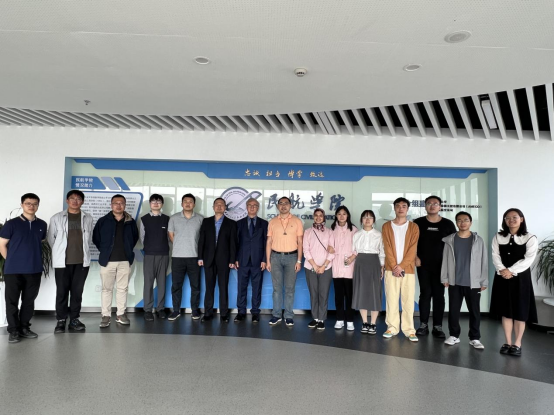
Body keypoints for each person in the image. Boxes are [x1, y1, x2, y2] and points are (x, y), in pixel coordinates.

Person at [490, 209, 538, 357]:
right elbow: (495, 255)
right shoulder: (498, 236)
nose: (511, 220)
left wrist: (510, 270)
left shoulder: (530, 237)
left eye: (514, 217)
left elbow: (529, 259)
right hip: (502, 277)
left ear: (521, 219)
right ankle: (507, 342)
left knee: (520, 312)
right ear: (504, 220)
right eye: (507, 218)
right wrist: (502, 270)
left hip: (521, 279)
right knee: (506, 311)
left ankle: (517, 343)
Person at [0, 193, 47, 344]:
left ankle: (24, 328)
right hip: (13, 271)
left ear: (38, 205)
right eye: (28, 203)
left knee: (28, 301)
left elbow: (40, 242)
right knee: (12, 301)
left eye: (34, 204)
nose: (31, 206)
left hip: (34, 269)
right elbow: (2, 245)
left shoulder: (42, 225)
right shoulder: (11, 224)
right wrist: (11, 261)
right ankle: (13, 330)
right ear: (22, 205)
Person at [48, 190, 94, 334]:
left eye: (78, 199)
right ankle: (61, 320)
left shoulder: (88, 218)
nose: (75, 201)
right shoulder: (56, 218)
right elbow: (51, 239)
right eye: (72, 198)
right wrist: (60, 253)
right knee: (62, 292)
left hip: (81, 262)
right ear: (67, 201)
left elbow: (89, 239)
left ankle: (74, 319)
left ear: (82, 202)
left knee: (77, 292)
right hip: (62, 263)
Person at [441, 212, 488, 350]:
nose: (463, 223)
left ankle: (475, 338)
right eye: (459, 220)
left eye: (466, 220)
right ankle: (454, 335)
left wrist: (483, 281)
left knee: (474, 311)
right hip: (455, 282)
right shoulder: (449, 240)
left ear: (471, 222)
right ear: (456, 223)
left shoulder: (478, 240)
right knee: (454, 310)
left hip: (473, 282)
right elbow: (445, 260)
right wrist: (444, 278)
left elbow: (484, 261)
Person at [93, 194, 139, 328]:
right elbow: (96, 238)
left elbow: (134, 238)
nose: (118, 205)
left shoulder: (130, 221)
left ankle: (121, 314)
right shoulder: (103, 221)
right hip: (108, 261)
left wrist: (127, 250)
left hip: (125, 260)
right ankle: (106, 315)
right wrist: (105, 250)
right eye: (116, 203)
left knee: (122, 289)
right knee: (106, 289)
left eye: (121, 203)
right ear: (111, 205)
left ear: (125, 205)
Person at [414, 196, 456, 338]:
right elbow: (411, 242)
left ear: (440, 207)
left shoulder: (448, 224)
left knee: (439, 295)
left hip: (442, 266)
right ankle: (423, 325)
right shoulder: (418, 223)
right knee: (425, 293)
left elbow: (453, 246)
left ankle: (438, 326)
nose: (432, 206)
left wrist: (450, 265)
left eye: (435, 204)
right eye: (429, 203)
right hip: (423, 265)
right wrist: (415, 257)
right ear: (425, 206)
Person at [382, 198, 420, 342]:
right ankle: (392, 327)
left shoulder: (413, 227)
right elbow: (387, 247)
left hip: (408, 269)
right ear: (394, 208)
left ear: (407, 209)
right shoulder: (387, 226)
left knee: (408, 300)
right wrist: (394, 266)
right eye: (398, 206)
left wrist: (402, 266)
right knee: (391, 299)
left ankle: (409, 330)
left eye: (404, 206)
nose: (401, 208)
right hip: (390, 270)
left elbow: (413, 249)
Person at [266, 197, 304, 327]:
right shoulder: (272, 221)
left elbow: (300, 242)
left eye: (286, 203)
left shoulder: (297, 221)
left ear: (290, 205)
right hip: (275, 257)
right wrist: (268, 261)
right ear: (277, 206)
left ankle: (288, 315)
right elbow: (269, 242)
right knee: (276, 289)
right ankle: (276, 315)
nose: (283, 206)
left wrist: (299, 260)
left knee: (289, 289)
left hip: (292, 257)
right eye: (281, 203)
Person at [198, 198, 237, 323]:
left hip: (224, 260)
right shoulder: (206, 221)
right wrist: (200, 257)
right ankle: (208, 313)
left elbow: (233, 243)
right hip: (208, 259)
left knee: (223, 287)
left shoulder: (231, 223)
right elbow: (201, 240)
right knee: (209, 287)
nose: (219, 206)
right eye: (217, 204)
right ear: (213, 207)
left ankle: (224, 314)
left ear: (225, 207)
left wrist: (232, 260)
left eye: (222, 204)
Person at [168, 194, 204, 321]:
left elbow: (202, 238)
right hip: (177, 257)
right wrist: (180, 245)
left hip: (194, 257)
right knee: (176, 285)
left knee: (195, 286)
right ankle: (176, 310)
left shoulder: (200, 219)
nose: (188, 203)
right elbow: (171, 235)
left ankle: (195, 310)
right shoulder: (174, 218)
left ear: (194, 204)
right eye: (185, 201)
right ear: (181, 203)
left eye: (190, 201)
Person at [235, 198, 268, 324]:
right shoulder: (239, 223)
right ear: (246, 207)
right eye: (250, 205)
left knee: (257, 287)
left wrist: (264, 259)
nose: (252, 207)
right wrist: (236, 258)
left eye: (255, 205)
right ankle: (241, 312)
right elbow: (236, 243)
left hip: (258, 261)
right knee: (241, 287)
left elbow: (266, 243)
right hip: (242, 260)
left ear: (258, 208)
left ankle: (255, 312)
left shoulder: (264, 223)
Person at [352, 210, 385, 335]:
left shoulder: (378, 234)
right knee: (361, 292)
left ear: (374, 220)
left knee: (374, 292)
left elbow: (382, 251)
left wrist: (382, 266)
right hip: (360, 263)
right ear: (361, 220)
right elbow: (353, 251)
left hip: (374, 262)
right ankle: (365, 322)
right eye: (365, 217)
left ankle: (373, 323)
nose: (367, 219)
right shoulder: (356, 235)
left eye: (370, 217)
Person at [140, 194, 170, 322]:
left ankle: (160, 308)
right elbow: (142, 237)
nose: (156, 203)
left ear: (162, 204)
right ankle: (148, 310)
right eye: (153, 201)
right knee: (148, 283)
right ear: (150, 204)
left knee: (162, 282)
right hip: (149, 255)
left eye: (158, 201)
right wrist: (149, 247)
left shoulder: (167, 219)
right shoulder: (144, 219)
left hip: (164, 254)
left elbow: (169, 237)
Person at [303, 209, 334, 330]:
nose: (318, 217)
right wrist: (315, 266)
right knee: (314, 293)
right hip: (310, 267)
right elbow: (306, 250)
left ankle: (321, 319)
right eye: (316, 215)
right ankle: (315, 318)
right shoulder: (308, 232)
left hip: (326, 267)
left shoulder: (329, 232)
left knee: (323, 293)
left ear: (324, 217)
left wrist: (323, 266)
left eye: (321, 215)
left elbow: (332, 251)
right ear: (313, 217)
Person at [330, 206, 358, 331]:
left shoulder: (354, 230)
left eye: (344, 214)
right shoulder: (331, 229)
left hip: (349, 266)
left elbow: (358, 247)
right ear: (336, 215)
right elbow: (328, 245)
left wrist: (353, 257)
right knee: (339, 295)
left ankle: (350, 320)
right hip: (336, 266)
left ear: (348, 216)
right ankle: (340, 319)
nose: (342, 216)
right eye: (339, 214)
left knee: (350, 295)